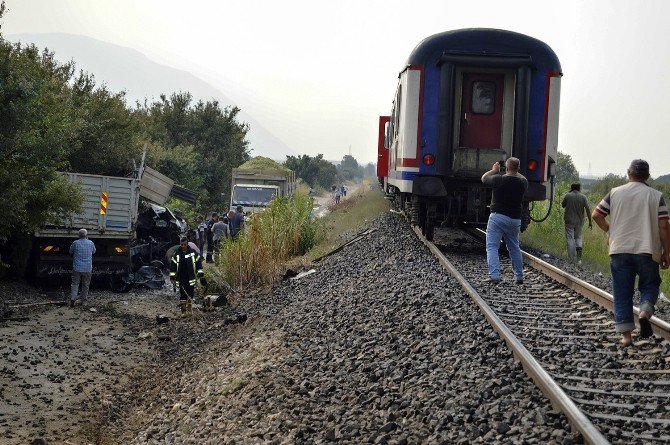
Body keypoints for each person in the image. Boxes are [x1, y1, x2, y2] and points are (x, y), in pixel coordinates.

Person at [592, 159, 670, 346]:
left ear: (629, 173)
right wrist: (667, 252)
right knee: (650, 285)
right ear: (648, 176)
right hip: (647, 250)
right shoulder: (656, 196)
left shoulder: (615, 193)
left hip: (619, 249)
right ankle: (644, 312)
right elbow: (664, 226)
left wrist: (611, 231)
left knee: (622, 291)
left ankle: (626, 337)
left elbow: (596, 214)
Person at [481, 158, 528, 284]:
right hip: (515, 219)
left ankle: (495, 276)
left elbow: (484, 178)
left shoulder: (498, 179)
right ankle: (519, 276)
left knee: (492, 247)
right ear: (518, 169)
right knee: (514, 247)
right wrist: (514, 170)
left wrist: (494, 170)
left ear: (506, 168)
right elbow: (522, 177)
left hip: (498, 217)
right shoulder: (523, 182)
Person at [169, 236, 205, 315]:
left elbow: (199, 265)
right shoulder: (177, 254)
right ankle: (183, 312)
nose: (183, 246)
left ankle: (189, 310)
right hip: (181, 277)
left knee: (190, 294)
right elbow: (173, 266)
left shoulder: (193, 253)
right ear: (180, 244)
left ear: (187, 244)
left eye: (184, 244)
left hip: (191, 276)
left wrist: (201, 275)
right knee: (182, 294)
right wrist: (172, 277)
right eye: (181, 245)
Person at [561, 183, 593, 263]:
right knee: (578, 237)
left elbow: (563, 205)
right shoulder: (583, 197)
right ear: (579, 188)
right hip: (579, 221)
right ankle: (579, 259)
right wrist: (590, 221)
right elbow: (588, 210)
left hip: (569, 221)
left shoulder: (568, 195)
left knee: (570, 238)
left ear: (572, 188)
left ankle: (571, 258)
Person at [69, 228, 96, 307]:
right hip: (87, 268)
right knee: (85, 284)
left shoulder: (75, 243)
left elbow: (70, 251)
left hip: (77, 268)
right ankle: (83, 301)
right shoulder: (90, 243)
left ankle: (73, 299)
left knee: (75, 283)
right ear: (86, 235)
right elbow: (94, 251)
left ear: (79, 235)